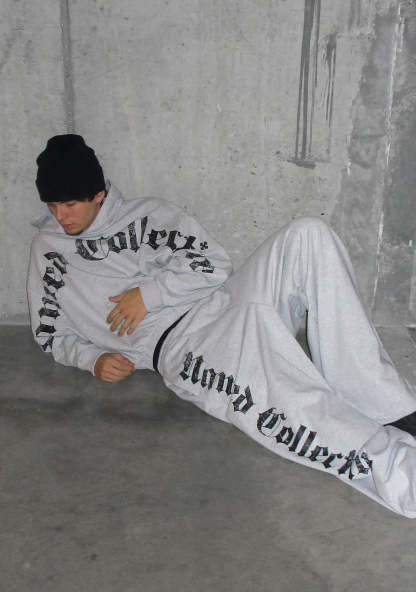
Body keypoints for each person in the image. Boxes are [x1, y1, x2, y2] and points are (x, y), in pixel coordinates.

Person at [28, 134, 416, 518]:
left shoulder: (147, 216)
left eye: (69, 204)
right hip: (185, 349)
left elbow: (213, 265)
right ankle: (403, 476)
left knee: (308, 235)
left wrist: (148, 295)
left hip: (226, 301)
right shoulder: (50, 252)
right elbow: (51, 332)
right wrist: (92, 358)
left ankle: (385, 405)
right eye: (52, 205)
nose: (61, 216)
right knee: (289, 402)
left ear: (98, 194)